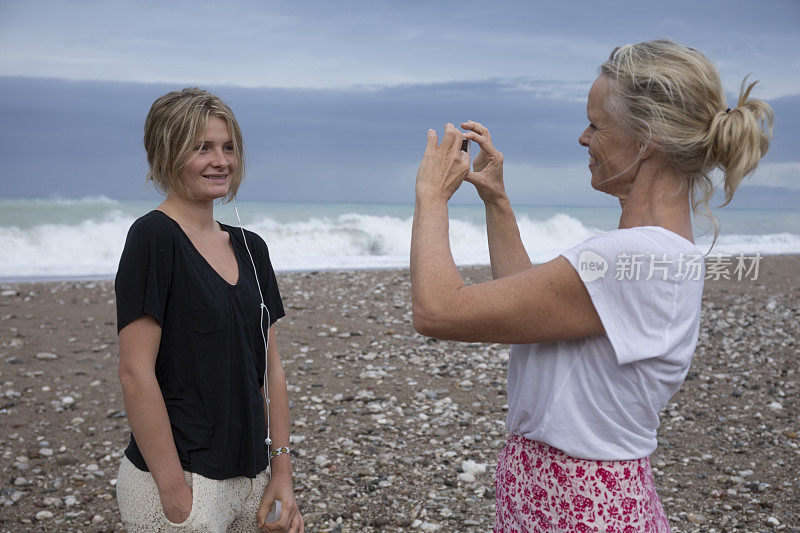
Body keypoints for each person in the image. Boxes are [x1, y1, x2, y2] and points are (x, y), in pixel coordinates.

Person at [410, 39, 773, 532]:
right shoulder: (662, 252)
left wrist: (431, 196)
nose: (583, 138)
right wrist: (497, 201)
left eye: (596, 124)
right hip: (580, 494)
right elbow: (535, 314)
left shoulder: (632, 256)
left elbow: (438, 312)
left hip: (576, 501)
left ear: (646, 139)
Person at [115, 88, 303, 532]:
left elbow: (271, 368)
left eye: (228, 147)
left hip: (253, 479)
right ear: (167, 153)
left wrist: (281, 472)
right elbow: (134, 372)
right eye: (202, 148)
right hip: (184, 483)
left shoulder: (252, 248)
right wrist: (175, 493)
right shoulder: (153, 239)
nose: (221, 161)